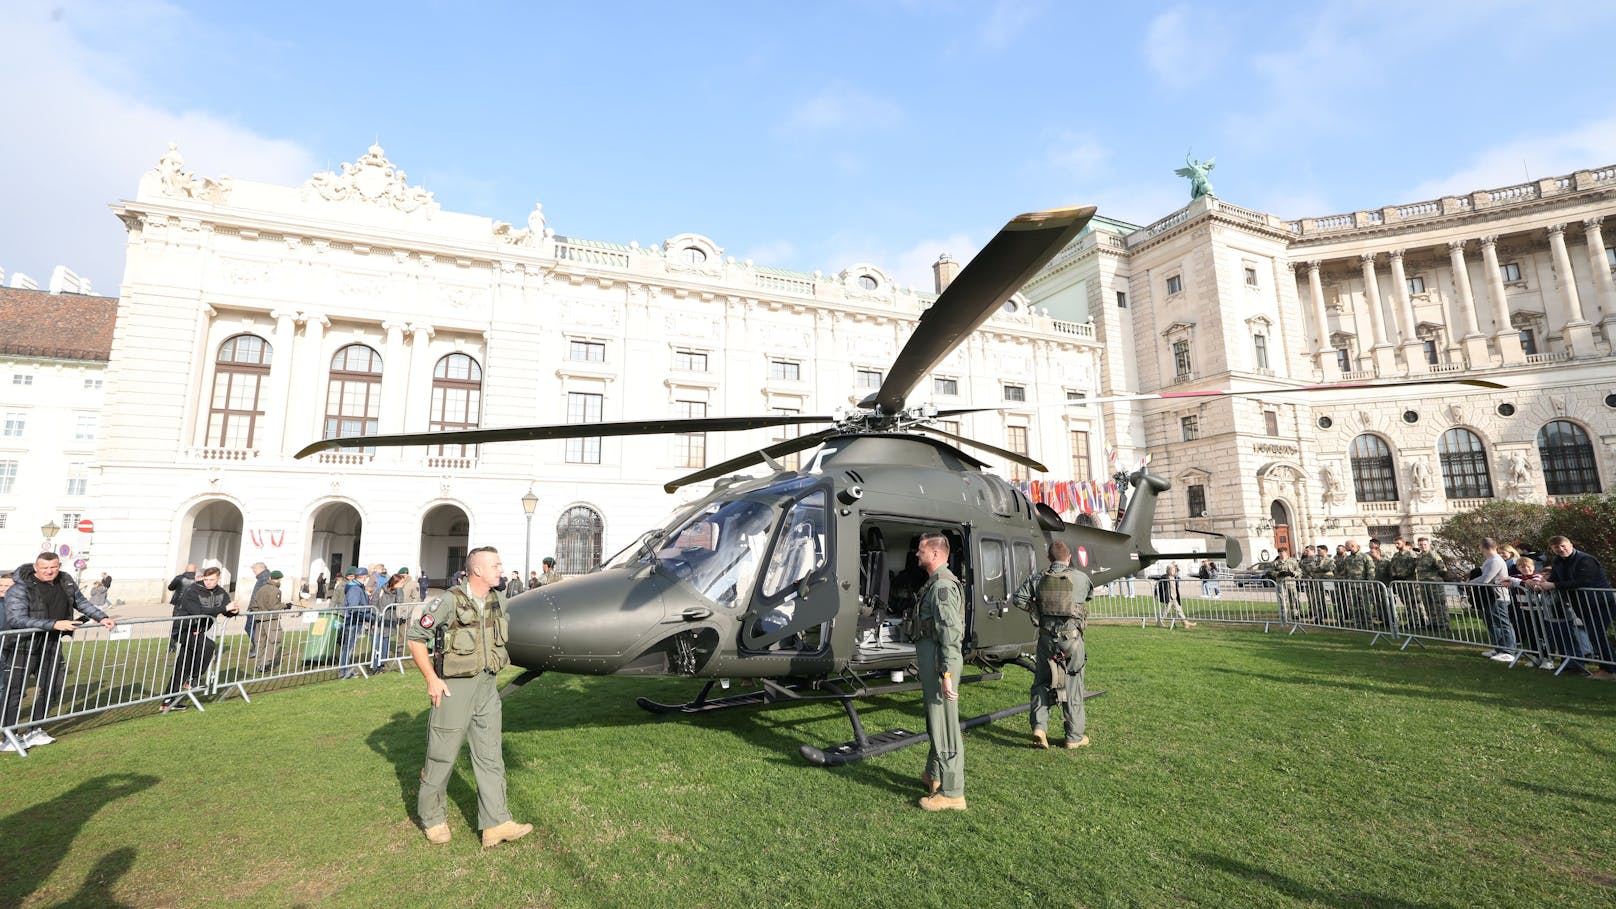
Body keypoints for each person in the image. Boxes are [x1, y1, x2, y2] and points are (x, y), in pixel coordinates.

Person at [405, 546, 533, 846]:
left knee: (490, 755)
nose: (501, 569)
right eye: (495, 565)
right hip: (455, 689)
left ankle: (496, 822)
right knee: (442, 755)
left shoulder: (498, 599)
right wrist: (432, 680)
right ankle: (432, 818)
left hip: (487, 687)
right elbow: (415, 639)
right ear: (477, 570)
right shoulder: (449, 601)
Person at [2, 553, 116, 751]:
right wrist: (54, 624)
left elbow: (81, 602)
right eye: (44, 567)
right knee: (14, 692)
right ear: (35, 567)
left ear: (59, 565)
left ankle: (35, 730)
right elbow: (16, 620)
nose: (49, 571)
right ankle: (7, 736)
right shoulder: (20, 588)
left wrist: (101, 617)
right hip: (22, 646)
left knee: (52, 686)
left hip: (52, 644)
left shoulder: (66, 581)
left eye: (53, 567)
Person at [1012, 541, 1092, 750]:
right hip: (1072, 640)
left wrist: (1037, 609)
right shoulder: (1081, 578)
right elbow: (1088, 595)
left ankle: (1039, 727)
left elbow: (1018, 598)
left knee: (1042, 682)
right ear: (1068, 558)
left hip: (1047, 639)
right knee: (1073, 685)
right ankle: (1074, 736)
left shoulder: (1038, 578)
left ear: (1049, 558)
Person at [911, 532, 965, 810]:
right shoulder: (935, 584)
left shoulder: (942, 587)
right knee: (936, 720)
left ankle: (953, 791)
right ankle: (933, 775)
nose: (917, 554)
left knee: (944, 725)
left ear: (934, 554)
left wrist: (946, 674)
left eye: (921, 550)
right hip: (936, 661)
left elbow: (950, 634)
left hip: (941, 663)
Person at [1528, 536, 1614, 679]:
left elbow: (1583, 581)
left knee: (1596, 634)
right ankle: (1607, 668)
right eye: (1556, 547)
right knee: (1594, 635)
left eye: (1562, 546)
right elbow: (1554, 579)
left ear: (1571, 544)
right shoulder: (1557, 562)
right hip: (1580, 604)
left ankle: (1609, 670)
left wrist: (1554, 585)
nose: (1560, 549)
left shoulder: (1586, 560)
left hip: (1600, 602)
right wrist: (1541, 583)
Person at [161, 566, 237, 711]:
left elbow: (226, 609)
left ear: (218, 579)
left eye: (212, 580)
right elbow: (199, 612)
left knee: (182, 665)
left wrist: (233, 611)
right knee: (208, 646)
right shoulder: (193, 591)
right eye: (206, 579)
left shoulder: (221, 592)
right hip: (185, 629)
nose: (208, 582)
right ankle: (193, 678)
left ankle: (167, 702)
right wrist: (224, 609)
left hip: (199, 630)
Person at [1472, 538, 1517, 662]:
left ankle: (1509, 651)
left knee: (1502, 623)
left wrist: (1468, 582)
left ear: (1482, 547)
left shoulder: (1495, 560)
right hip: (1489, 596)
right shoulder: (1489, 560)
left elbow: (1485, 579)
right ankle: (1499, 648)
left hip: (1498, 597)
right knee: (1491, 623)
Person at [337, 567, 372, 679]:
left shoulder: (356, 587)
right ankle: (344, 671)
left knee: (349, 647)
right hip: (353, 621)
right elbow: (354, 606)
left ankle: (345, 670)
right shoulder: (355, 589)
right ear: (364, 576)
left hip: (355, 620)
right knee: (349, 647)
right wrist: (367, 615)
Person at [249, 570, 287, 673]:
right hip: (271, 619)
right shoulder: (275, 590)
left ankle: (258, 664)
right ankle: (265, 663)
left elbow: (254, 605)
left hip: (259, 619)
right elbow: (274, 606)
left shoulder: (261, 589)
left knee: (260, 642)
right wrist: (285, 606)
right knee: (275, 640)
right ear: (278, 579)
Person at [1413, 537, 1448, 633]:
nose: (1423, 546)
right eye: (1420, 545)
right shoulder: (1419, 557)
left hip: (1434, 583)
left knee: (1439, 604)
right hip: (1423, 584)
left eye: (1425, 544)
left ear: (1428, 544)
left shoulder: (1433, 555)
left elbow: (1443, 569)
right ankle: (1433, 623)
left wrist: (1436, 578)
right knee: (1428, 604)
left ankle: (1443, 624)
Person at [1267, 547, 1301, 622]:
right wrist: (1278, 574)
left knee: (1293, 598)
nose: (1281, 554)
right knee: (1282, 599)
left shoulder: (1292, 561)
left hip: (1291, 583)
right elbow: (1271, 572)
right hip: (1281, 583)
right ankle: (1284, 614)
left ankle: (1295, 613)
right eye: (1280, 553)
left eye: (1283, 553)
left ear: (1286, 553)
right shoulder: (1276, 562)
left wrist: (1293, 573)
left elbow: (1299, 570)